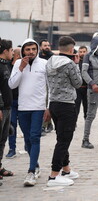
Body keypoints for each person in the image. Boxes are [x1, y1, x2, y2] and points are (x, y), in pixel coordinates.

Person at [9, 38, 49, 186]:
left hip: (38, 107)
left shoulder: (44, 64)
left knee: (35, 137)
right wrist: (21, 68)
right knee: (27, 141)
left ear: (37, 49)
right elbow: (12, 84)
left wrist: (48, 106)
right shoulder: (19, 64)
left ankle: (31, 171)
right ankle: (36, 165)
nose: (31, 52)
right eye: (28, 49)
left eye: (33, 49)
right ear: (23, 51)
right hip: (23, 107)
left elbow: (50, 87)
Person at [46, 36, 82, 187]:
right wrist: (77, 64)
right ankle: (54, 175)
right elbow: (78, 83)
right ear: (71, 49)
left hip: (54, 103)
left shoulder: (50, 62)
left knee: (61, 137)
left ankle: (66, 169)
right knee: (64, 140)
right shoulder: (70, 64)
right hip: (67, 105)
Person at [0, 39, 14, 180]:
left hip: (7, 107)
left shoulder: (7, 65)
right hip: (1, 108)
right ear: (5, 51)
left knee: (3, 139)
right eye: (11, 50)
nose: (12, 53)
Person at [6, 48, 21, 158]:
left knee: (26, 125)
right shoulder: (7, 66)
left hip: (23, 101)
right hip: (12, 100)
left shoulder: (24, 66)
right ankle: (12, 148)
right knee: (12, 125)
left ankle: (28, 145)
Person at [39, 40, 54, 134]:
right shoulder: (38, 57)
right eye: (45, 45)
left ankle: (43, 127)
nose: (47, 47)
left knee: (46, 104)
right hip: (40, 83)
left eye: (48, 45)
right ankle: (49, 124)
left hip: (50, 83)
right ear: (41, 47)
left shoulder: (53, 57)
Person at [75, 46, 88, 120]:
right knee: (76, 106)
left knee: (87, 106)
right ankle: (74, 122)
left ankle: (87, 121)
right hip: (78, 89)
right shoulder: (75, 62)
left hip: (87, 88)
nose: (82, 53)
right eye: (81, 52)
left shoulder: (90, 61)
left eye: (84, 51)